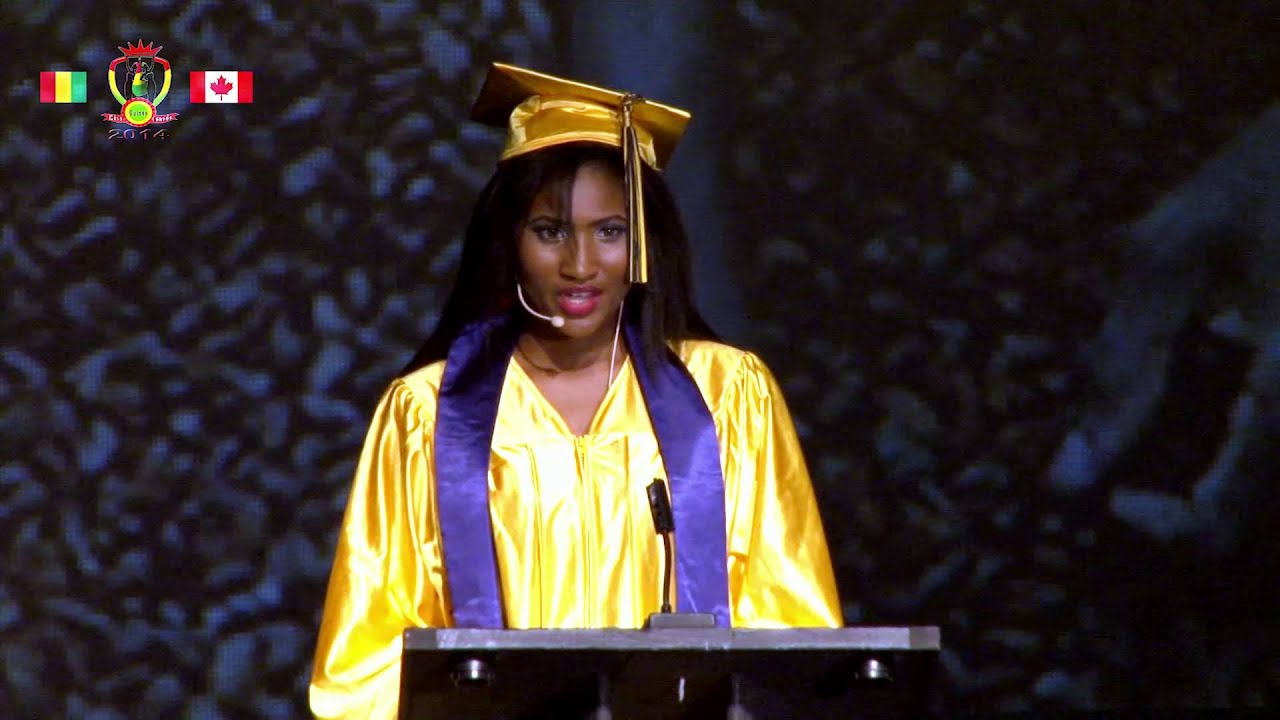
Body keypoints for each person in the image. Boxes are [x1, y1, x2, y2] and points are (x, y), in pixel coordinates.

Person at [309, 62, 842, 719]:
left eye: (610, 231)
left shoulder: (729, 396)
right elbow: (367, 666)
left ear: (645, 243)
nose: (581, 264)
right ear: (511, 241)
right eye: (550, 230)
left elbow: (790, 631)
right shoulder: (425, 414)